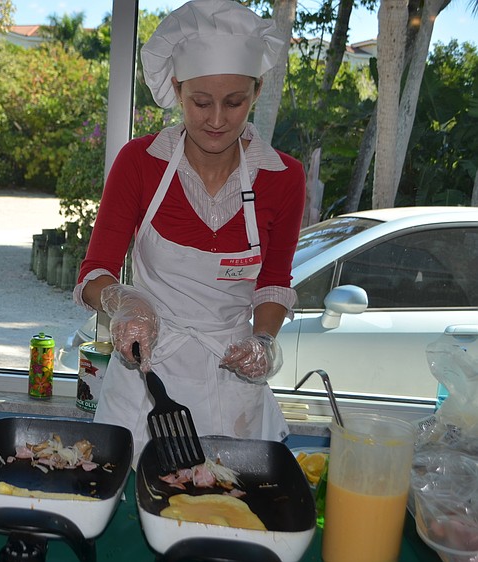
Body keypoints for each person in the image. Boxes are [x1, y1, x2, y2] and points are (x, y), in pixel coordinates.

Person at [73, 0, 306, 459]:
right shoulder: (139, 163)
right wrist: (126, 303)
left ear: (257, 91)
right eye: (201, 102)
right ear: (178, 90)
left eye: (234, 102)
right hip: (144, 382)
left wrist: (263, 342)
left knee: (232, 493)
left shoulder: (284, 178)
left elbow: (274, 283)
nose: (217, 119)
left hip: (232, 384)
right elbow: (93, 273)